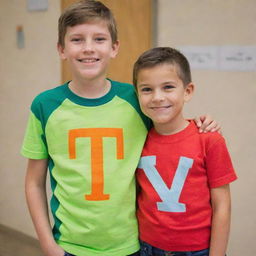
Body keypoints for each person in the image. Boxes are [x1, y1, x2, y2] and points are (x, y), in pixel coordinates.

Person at [21, 1, 220, 256]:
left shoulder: (134, 99)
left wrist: (200, 123)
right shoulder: (44, 106)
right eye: (77, 39)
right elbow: (34, 183)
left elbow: (169, 123)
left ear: (114, 48)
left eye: (100, 39)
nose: (89, 48)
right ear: (61, 49)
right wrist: (47, 244)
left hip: (132, 245)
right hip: (68, 246)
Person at [133, 47, 237, 256]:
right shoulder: (137, 140)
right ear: (137, 94)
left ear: (187, 91)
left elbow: (222, 206)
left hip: (199, 250)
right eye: (147, 89)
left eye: (168, 87)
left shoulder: (209, 139)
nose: (157, 97)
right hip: (147, 247)